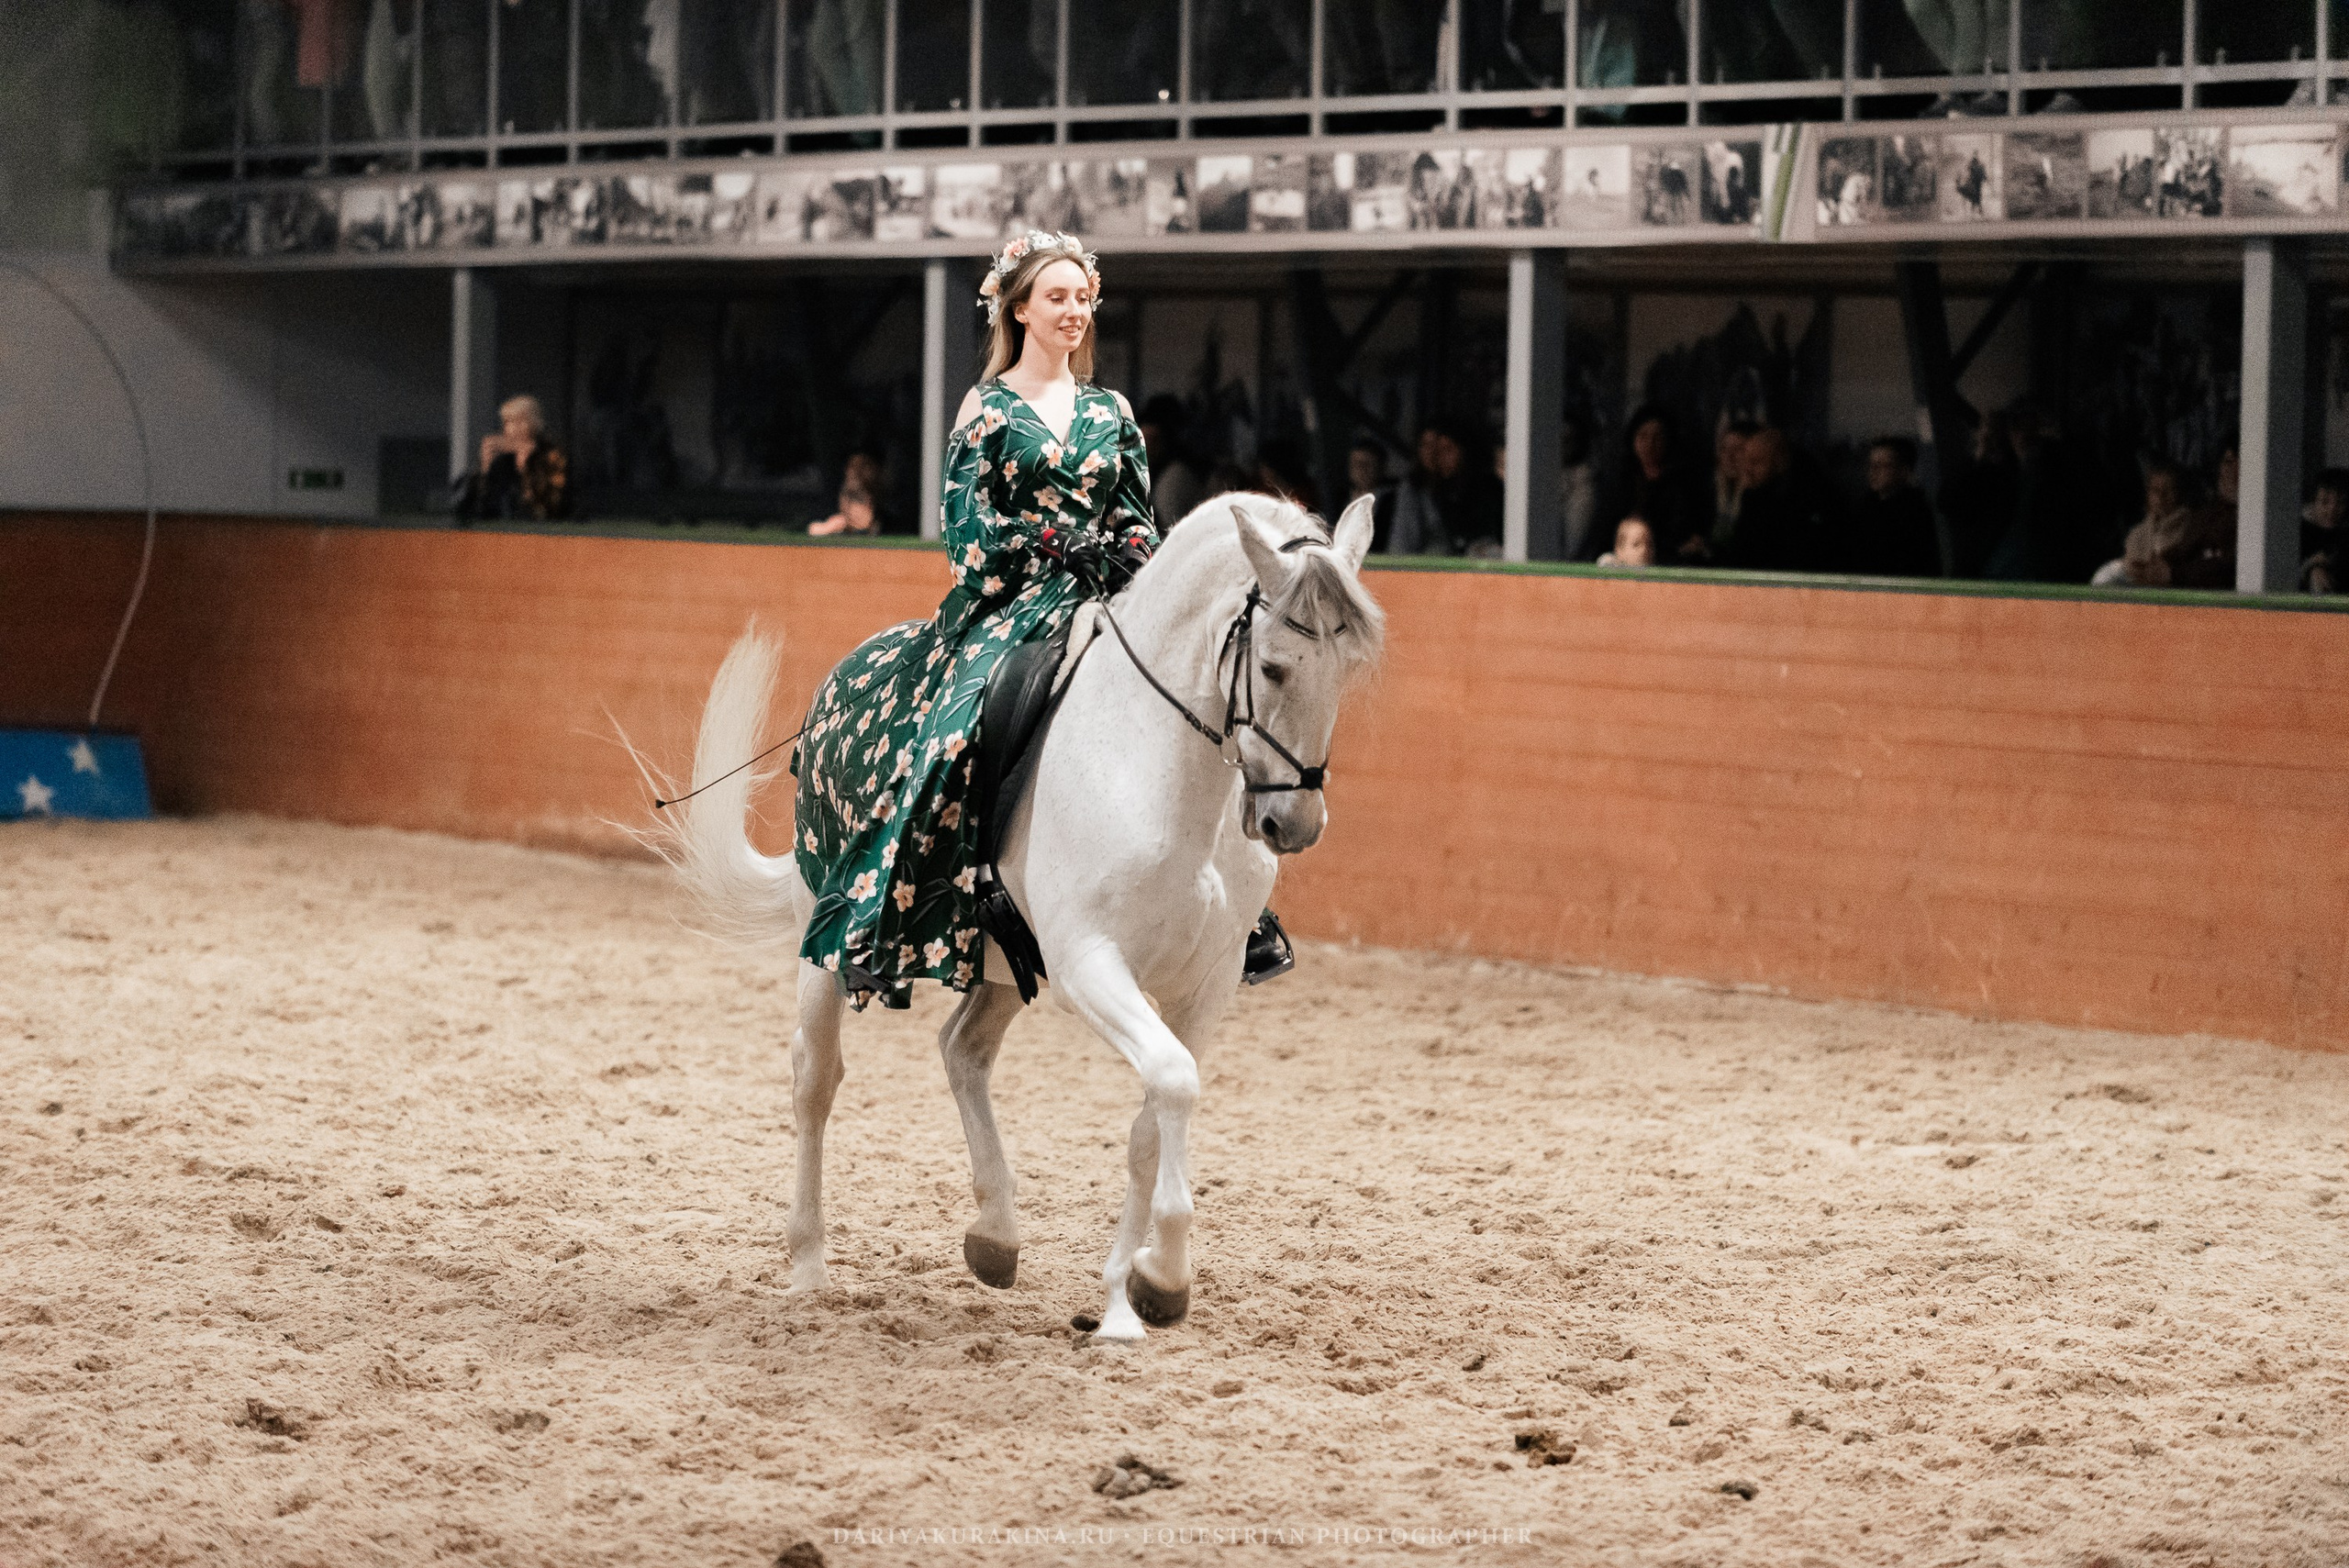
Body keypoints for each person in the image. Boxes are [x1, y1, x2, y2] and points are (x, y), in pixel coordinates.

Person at [789, 230, 1284, 1009]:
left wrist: (1124, 550)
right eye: (1058, 297)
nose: (1075, 310)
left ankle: (1241, 908)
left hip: (1104, 595)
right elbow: (965, 531)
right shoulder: (986, 408)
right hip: (1011, 604)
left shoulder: (1111, 409)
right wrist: (1048, 539)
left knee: (1202, 706)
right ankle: (884, 916)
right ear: (1019, 308)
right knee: (956, 727)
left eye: (1084, 297)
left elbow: (1136, 519)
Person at [454, 395, 573, 523]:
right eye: (509, 422)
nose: (515, 428)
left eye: (521, 421)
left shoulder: (552, 455)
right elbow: (472, 509)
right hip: (502, 532)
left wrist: (527, 467)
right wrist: (484, 470)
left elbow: (554, 505)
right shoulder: (503, 461)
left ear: (534, 423)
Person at [1598, 405, 1694, 562]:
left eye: (1658, 437)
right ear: (1633, 439)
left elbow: (1681, 535)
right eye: (1643, 436)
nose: (1650, 444)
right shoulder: (1621, 482)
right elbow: (1605, 532)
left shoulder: (1682, 484)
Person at [1835, 436, 1941, 577]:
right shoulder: (1863, 509)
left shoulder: (1915, 513)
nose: (1873, 471)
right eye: (1871, 464)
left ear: (1904, 470)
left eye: (1883, 465)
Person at [2091, 460, 2197, 587]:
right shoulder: (2138, 533)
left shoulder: (2191, 529)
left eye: (2169, 490)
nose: (2161, 496)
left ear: (2181, 493)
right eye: (2155, 490)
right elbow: (2131, 567)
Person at [1137, 394, 1207, 528]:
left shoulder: (1175, 477)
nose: (1144, 449)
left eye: (1152, 440)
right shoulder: (1162, 474)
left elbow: (1170, 533)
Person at [807, 453, 884, 537]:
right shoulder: (846, 487)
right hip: (847, 526)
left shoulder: (867, 487)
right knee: (815, 527)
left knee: (833, 523)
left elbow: (866, 520)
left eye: (853, 468)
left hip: (863, 528)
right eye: (849, 467)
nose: (848, 471)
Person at [2302, 466, 2349, 595]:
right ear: (2313, 502)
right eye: (2324, 502)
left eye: (2341, 502)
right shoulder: (2297, 532)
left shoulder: (2345, 533)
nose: (2332, 510)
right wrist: (2311, 567)